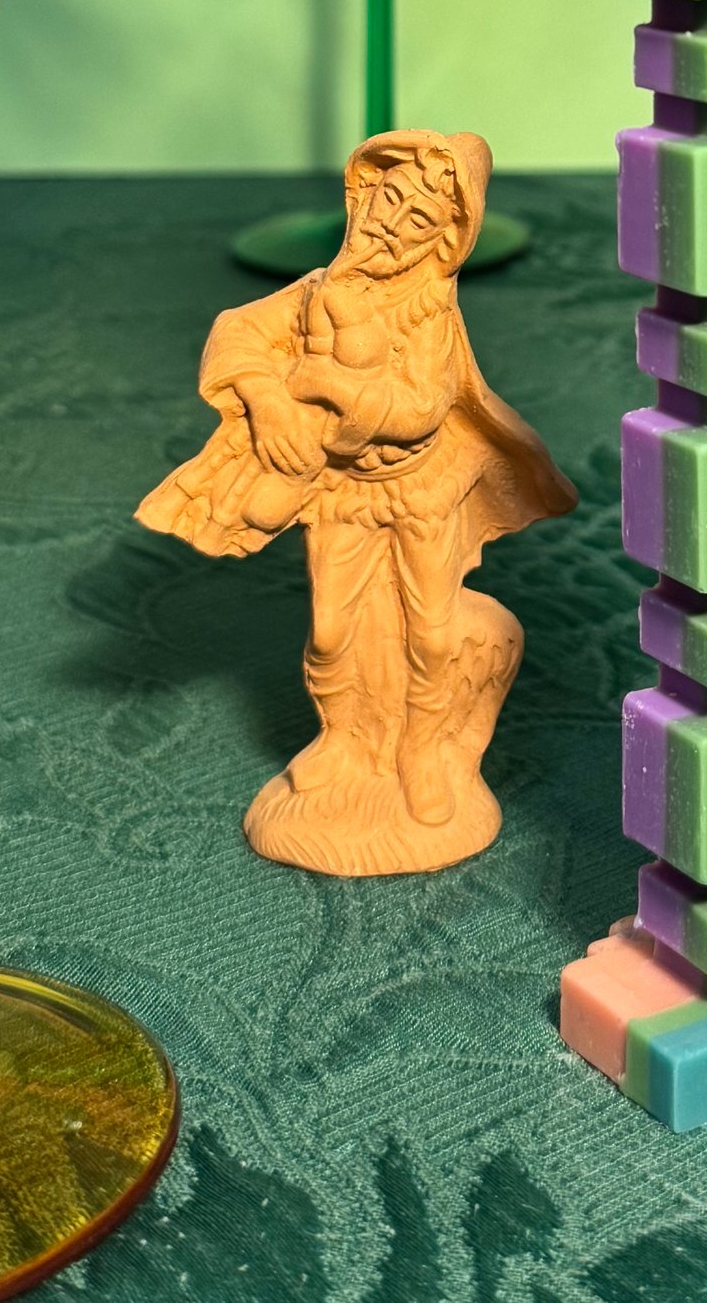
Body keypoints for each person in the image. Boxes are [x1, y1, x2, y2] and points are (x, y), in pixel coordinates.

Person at [138, 129, 576, 874]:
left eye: (418, 218)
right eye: (388, 199)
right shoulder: (319, 290)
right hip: (342, 492)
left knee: (430, 633)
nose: (391, 223)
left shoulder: (429, 316)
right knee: (332, 630)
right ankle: (343, 742)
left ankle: (422, 754)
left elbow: (418, 411)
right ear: (364, 197)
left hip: (421, 491)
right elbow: (237, 334)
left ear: (442, 242)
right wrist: (268, 401)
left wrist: (324, 383)